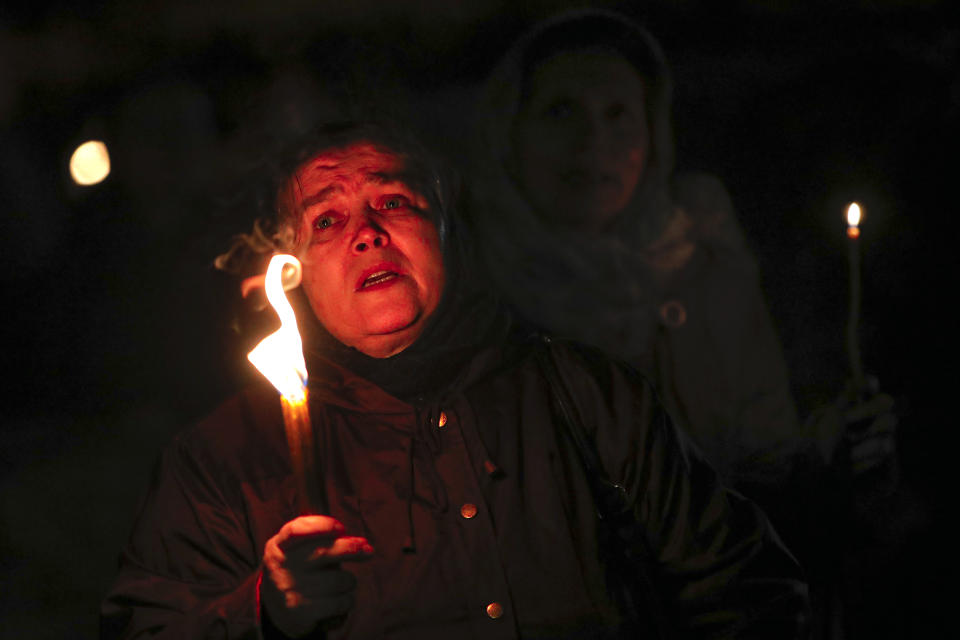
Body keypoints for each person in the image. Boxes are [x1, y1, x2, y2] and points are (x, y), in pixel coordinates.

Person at [101, 122, 809, 639]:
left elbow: (744, 593)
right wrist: (263, 613)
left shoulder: (583, 395)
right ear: (296, 273)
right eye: (328, 219)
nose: (368, 232)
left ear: (447, 229)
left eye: (395, 202)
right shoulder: (225, 462)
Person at [460, 10, 899, 637]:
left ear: (653, 130)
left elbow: (761, 460)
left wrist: (831, 456)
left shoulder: (704, 265)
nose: (593, 142)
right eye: (561, 111)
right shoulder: (466, 288)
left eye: (619, 115)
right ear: (509, 130)